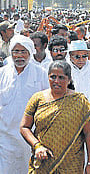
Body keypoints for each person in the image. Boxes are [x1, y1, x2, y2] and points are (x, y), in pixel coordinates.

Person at [20, 60, 90, 174]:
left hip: (71, 163)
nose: (56, 81)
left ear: (69, 79)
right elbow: (24, 127)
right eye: (53, 77)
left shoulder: (79, 101)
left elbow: (89, 133)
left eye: (61, 77)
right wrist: (37, 146)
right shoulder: (37, 98)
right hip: (43, 161)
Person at [0, 35, 49, 174]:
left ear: (30, 53)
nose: (19, 56)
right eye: (16, 51)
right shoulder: (2, 74)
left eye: (23, 51)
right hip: (5, 137)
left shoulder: (41, 73)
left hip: (31, 136)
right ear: (11, 53)